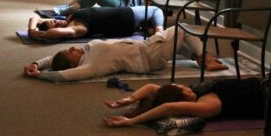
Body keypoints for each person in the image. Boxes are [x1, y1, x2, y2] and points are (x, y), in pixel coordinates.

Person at [23, 26, 228, 82]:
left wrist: (36, 63)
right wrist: (41, 76)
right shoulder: (90, 66)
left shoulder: (85, 52)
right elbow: (63, 75)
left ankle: (198, 58)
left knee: (181, 43)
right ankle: (206, 58)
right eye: (70, 53)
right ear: (73, 64)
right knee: (181, 29)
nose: (72, 48)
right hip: (149, 53)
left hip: (148, 50)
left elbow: (53, 60)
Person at [103, 77, 267, 127]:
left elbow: (151, 87)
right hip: (270, 95)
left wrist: (127, 100)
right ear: (183, 98)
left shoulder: (194, 93)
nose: (184, 86)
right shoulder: (208, 104)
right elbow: (168, 107)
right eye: (182, 88)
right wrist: (131, 121)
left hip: (263, 81)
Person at [28, 6, 164, 41]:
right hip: (128, 17)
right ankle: (159, 31)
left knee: (151, 17)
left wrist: (31, 29)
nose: (57, 22)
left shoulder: (69, 19)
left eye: (54, 21)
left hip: (128, 16)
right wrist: (42, 34)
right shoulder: (77, 28)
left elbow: (34, 17)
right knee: (155, 9)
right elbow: (56, 33)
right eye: (56, 24)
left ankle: (149, 29)